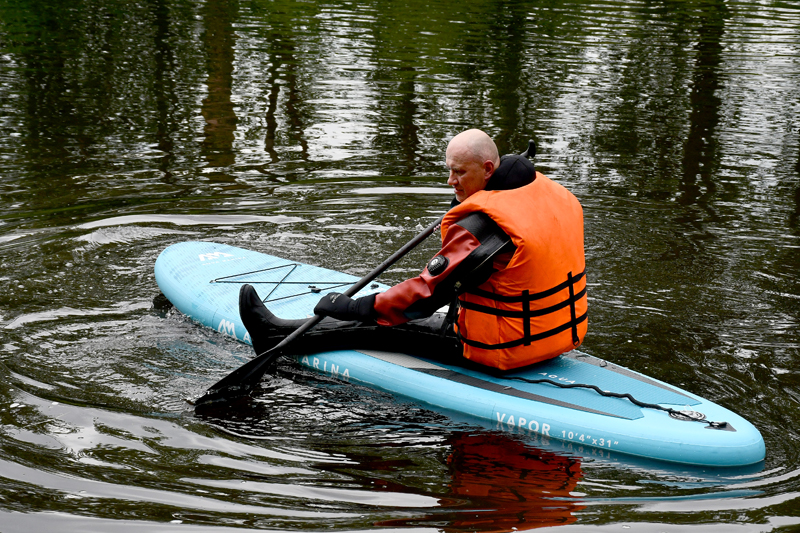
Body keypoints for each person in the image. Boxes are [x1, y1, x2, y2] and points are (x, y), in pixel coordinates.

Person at [240, 129, 587, 371]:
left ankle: (274, 335)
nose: (451, 182)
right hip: (556, 338)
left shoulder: (483, 228)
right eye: (449, 171)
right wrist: (472, 195)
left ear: (488, 170)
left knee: (382, 324)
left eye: (459, 173)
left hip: (502, 350)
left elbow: (423, 298)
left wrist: (352, 307)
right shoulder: (551, 194)